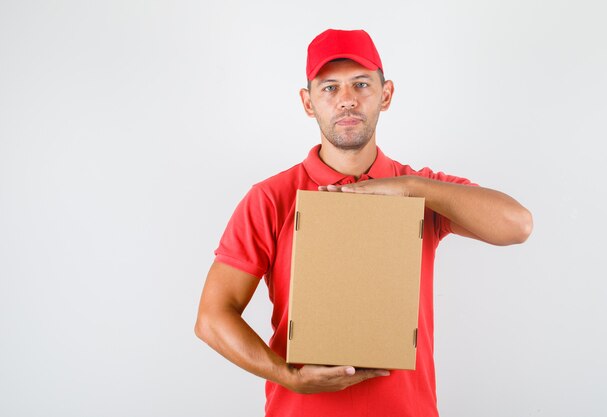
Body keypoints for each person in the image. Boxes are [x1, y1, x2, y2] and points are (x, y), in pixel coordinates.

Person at [195, 28, 533, 417]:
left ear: (385, 95)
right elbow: (212, 317)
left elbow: (518, 225)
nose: (347, 101)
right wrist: (287, 375)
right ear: (308, 102)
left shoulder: (421, 189)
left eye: (360, 84)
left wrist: (409, 188)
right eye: (329, 88)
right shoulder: (271, 198)